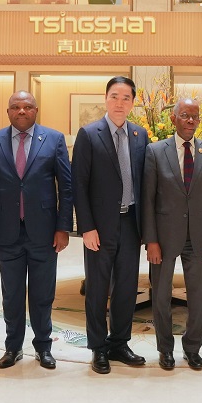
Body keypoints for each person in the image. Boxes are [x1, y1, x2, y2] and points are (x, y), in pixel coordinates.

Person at [0, 91, 73, 370]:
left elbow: (66, 188)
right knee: (12, 295)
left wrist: (63, 227)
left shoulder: (54, 139)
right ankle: (13, 347)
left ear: (36, 110)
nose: (22, 111)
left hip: (44, 232)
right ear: (8, 111)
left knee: (43, 294)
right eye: (16, 107)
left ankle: (43, 347)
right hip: (6, 231)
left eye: (27, 106)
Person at [72, 76, 148, 374]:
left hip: (131, 222)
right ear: (105, 99)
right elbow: (79, 184)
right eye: (114, 96)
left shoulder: (140, 135)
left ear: (133, 103)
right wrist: (87, 227)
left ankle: (119, 343)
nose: (120, 103)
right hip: (100, 226)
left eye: (126, 98)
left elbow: (144, 183)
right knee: (97, 287)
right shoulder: (89, 134)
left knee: (127, 287)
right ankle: (98, 347)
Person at [142, 98, 202, 371]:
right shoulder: (155, 151)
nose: (191, 120)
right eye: (186, 115)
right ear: (173, 118)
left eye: (195, 116)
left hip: (199, 237)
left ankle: (193, 348)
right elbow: (148, 200)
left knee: (198, 297)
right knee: (161, 295)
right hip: (164, 237)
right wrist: (151, 241)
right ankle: (165, 349)